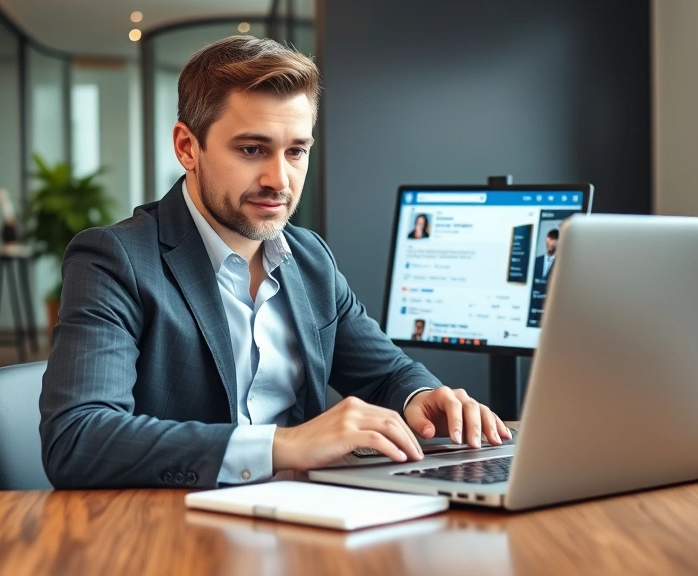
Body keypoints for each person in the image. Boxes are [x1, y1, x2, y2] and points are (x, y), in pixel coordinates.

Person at [39, 36, 511, 489]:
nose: (278, 179)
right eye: (251, 150)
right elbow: (78, 439)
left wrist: (423, 398)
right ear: (187, 148)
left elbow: (386, 373)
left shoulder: (310, 259)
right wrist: (280, 446)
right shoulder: (115, 259)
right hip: (175, 530)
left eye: (296, 151)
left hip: (303, 521)